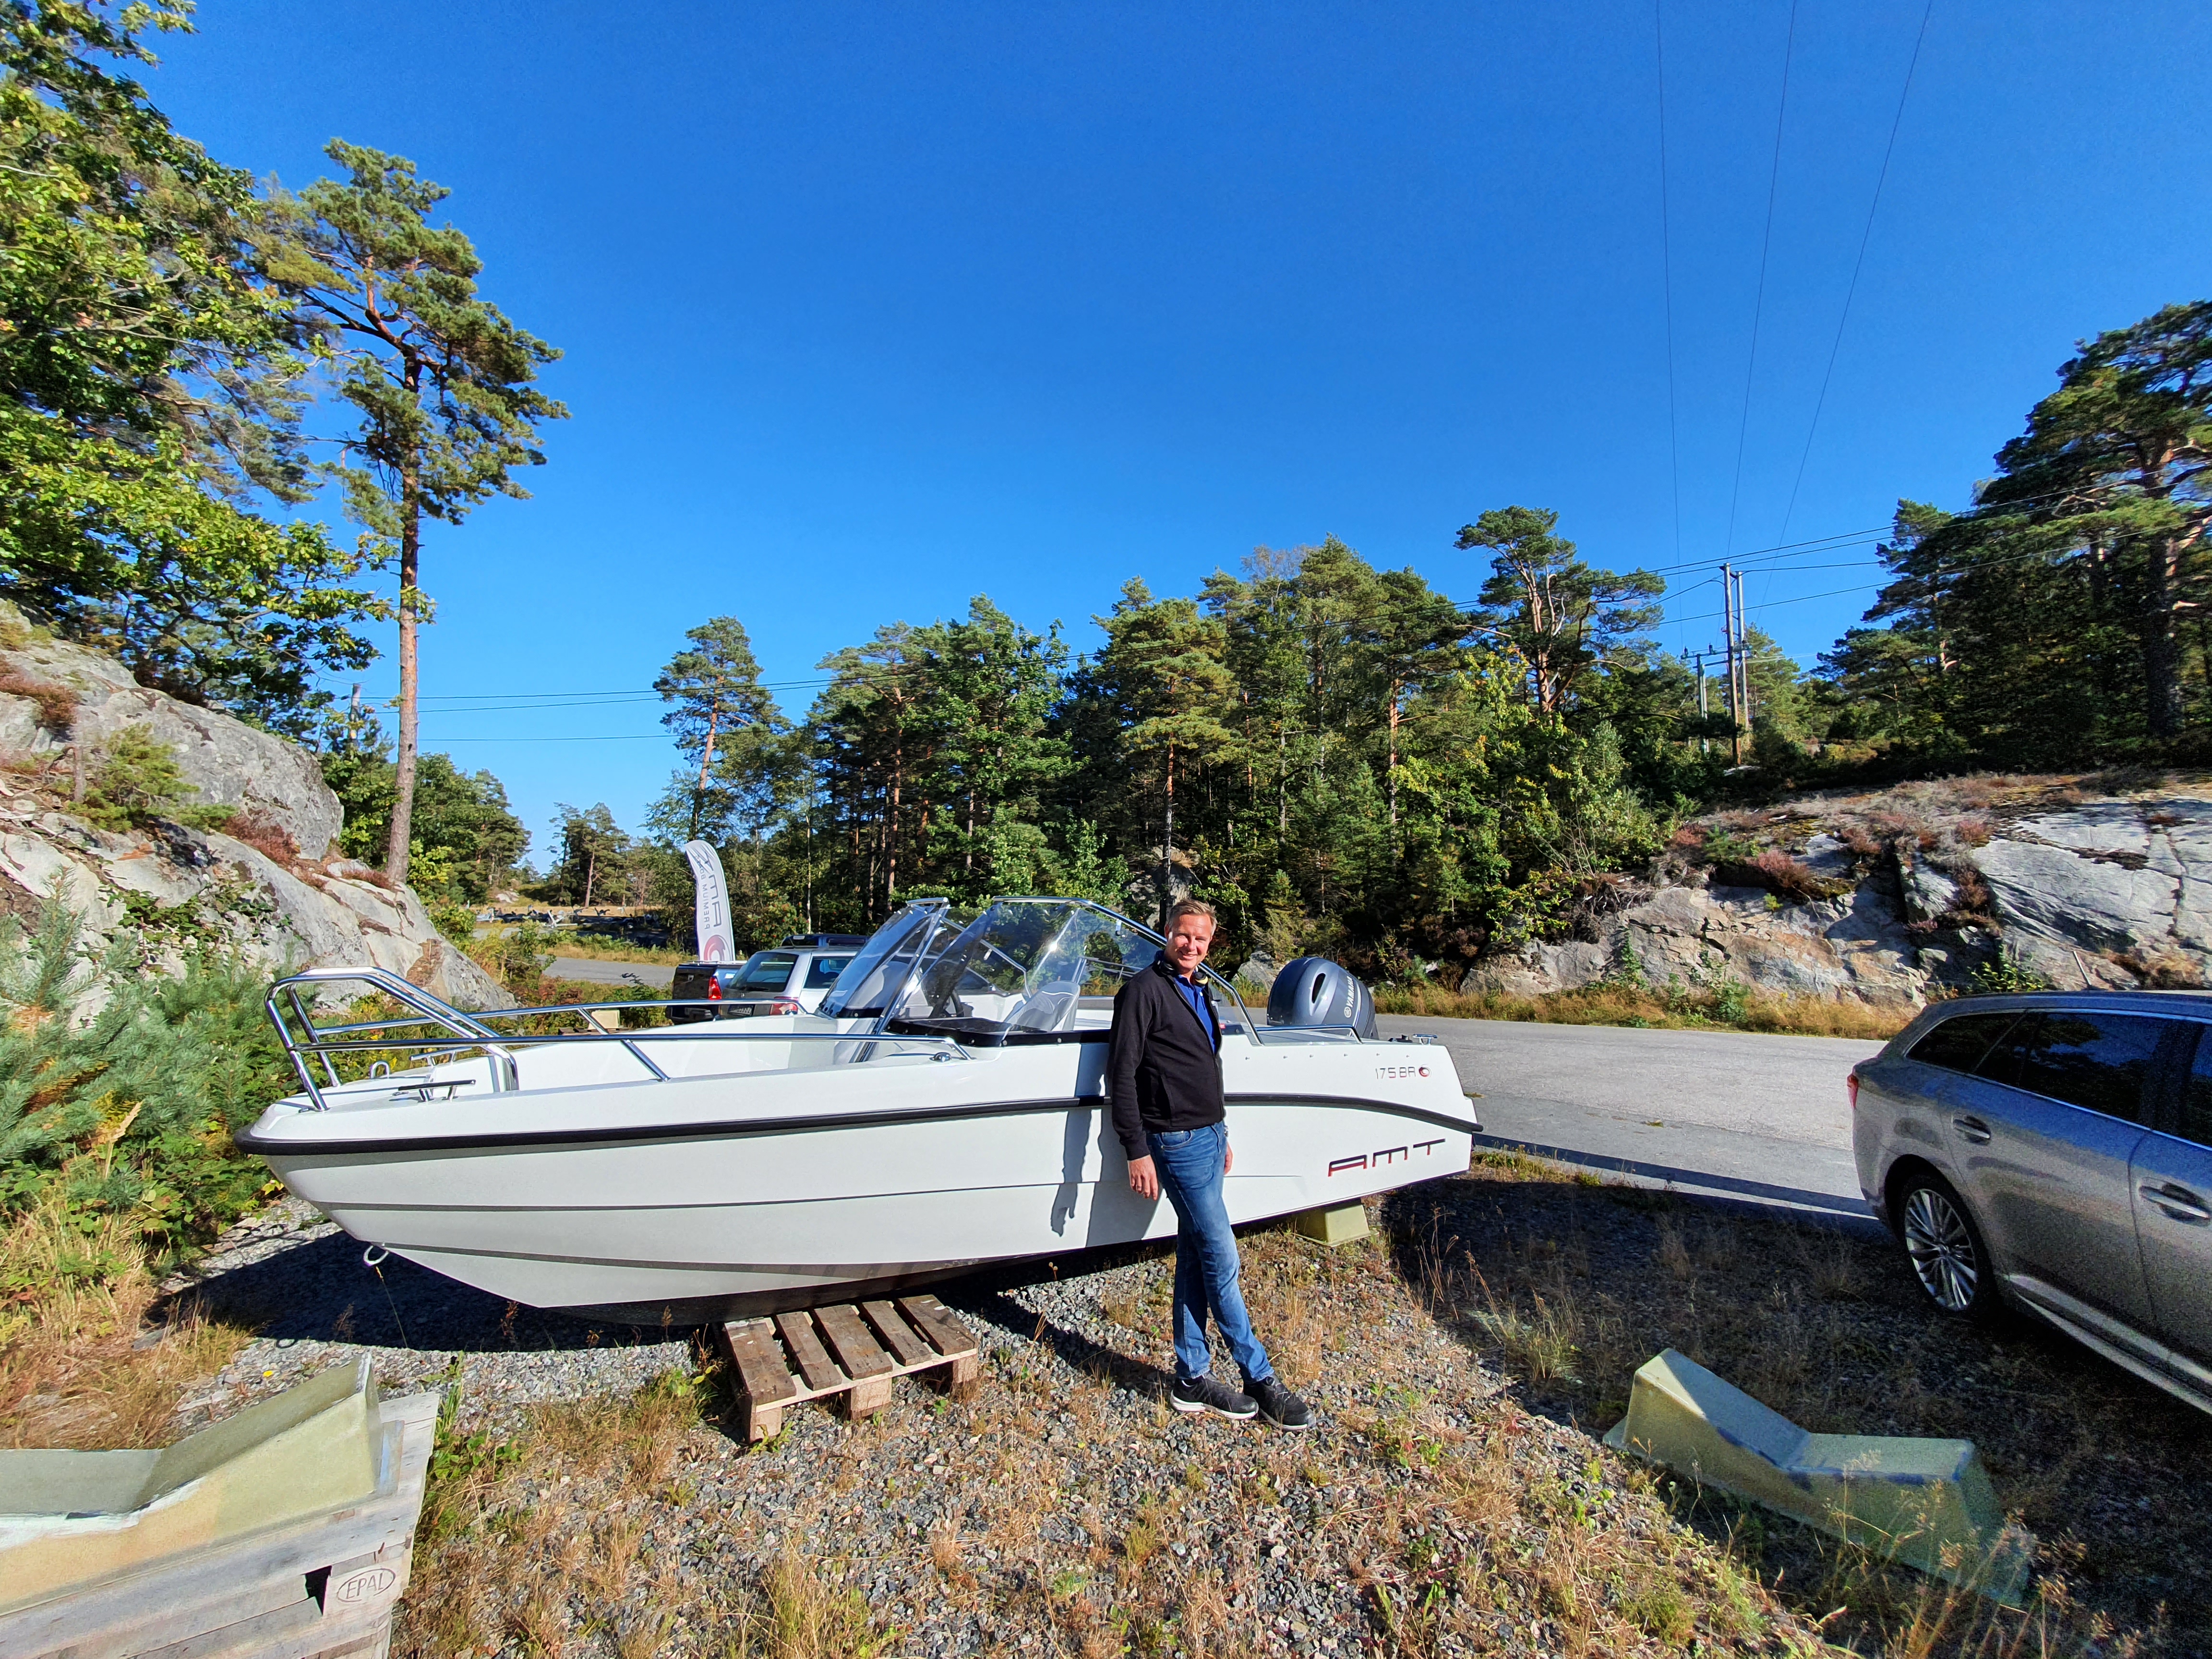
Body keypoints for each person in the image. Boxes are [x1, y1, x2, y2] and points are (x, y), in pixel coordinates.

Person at [1106, 899, 1312, 1430]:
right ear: (1166, 932)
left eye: (1201, 940)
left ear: (1209, 943)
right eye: (1183, 936)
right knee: (1223, 1259)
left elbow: (1206, 1068)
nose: (1191, 946)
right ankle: (1259, 1376)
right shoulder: (1142, 992)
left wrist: (1222, 1132)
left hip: (1208, 1136)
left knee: (1198, 1255)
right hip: (1172, 1143)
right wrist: (1136, 1149)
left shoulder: (1201, 990)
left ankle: (1191, 1377)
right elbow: (1122, 1076)